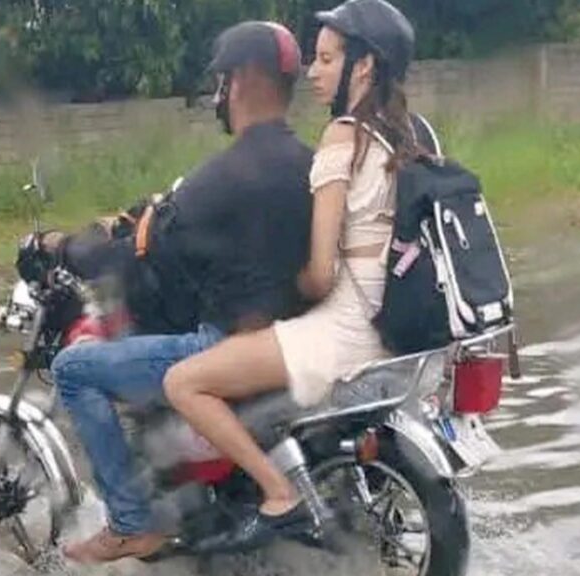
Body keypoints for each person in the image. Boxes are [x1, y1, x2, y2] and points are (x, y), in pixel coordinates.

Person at [46, 21, 314, 564]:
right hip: (294, 339)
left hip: (226, 345)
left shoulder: (224, 176)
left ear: (241, 81)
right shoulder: (308, 164)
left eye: (221, 81)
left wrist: (62, 246)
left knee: (74, 370)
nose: (218, 94)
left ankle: (129, 522)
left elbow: (128, 256)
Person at [163, 0, 420, 549]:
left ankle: (280, 494)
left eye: (326, 59)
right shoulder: (410, 135)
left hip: (346, 330)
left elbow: (321, 276)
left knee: (183, 381)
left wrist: (288, 290)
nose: (312, 72)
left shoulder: (341, 139)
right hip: (396, 326)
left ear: (365, 66)